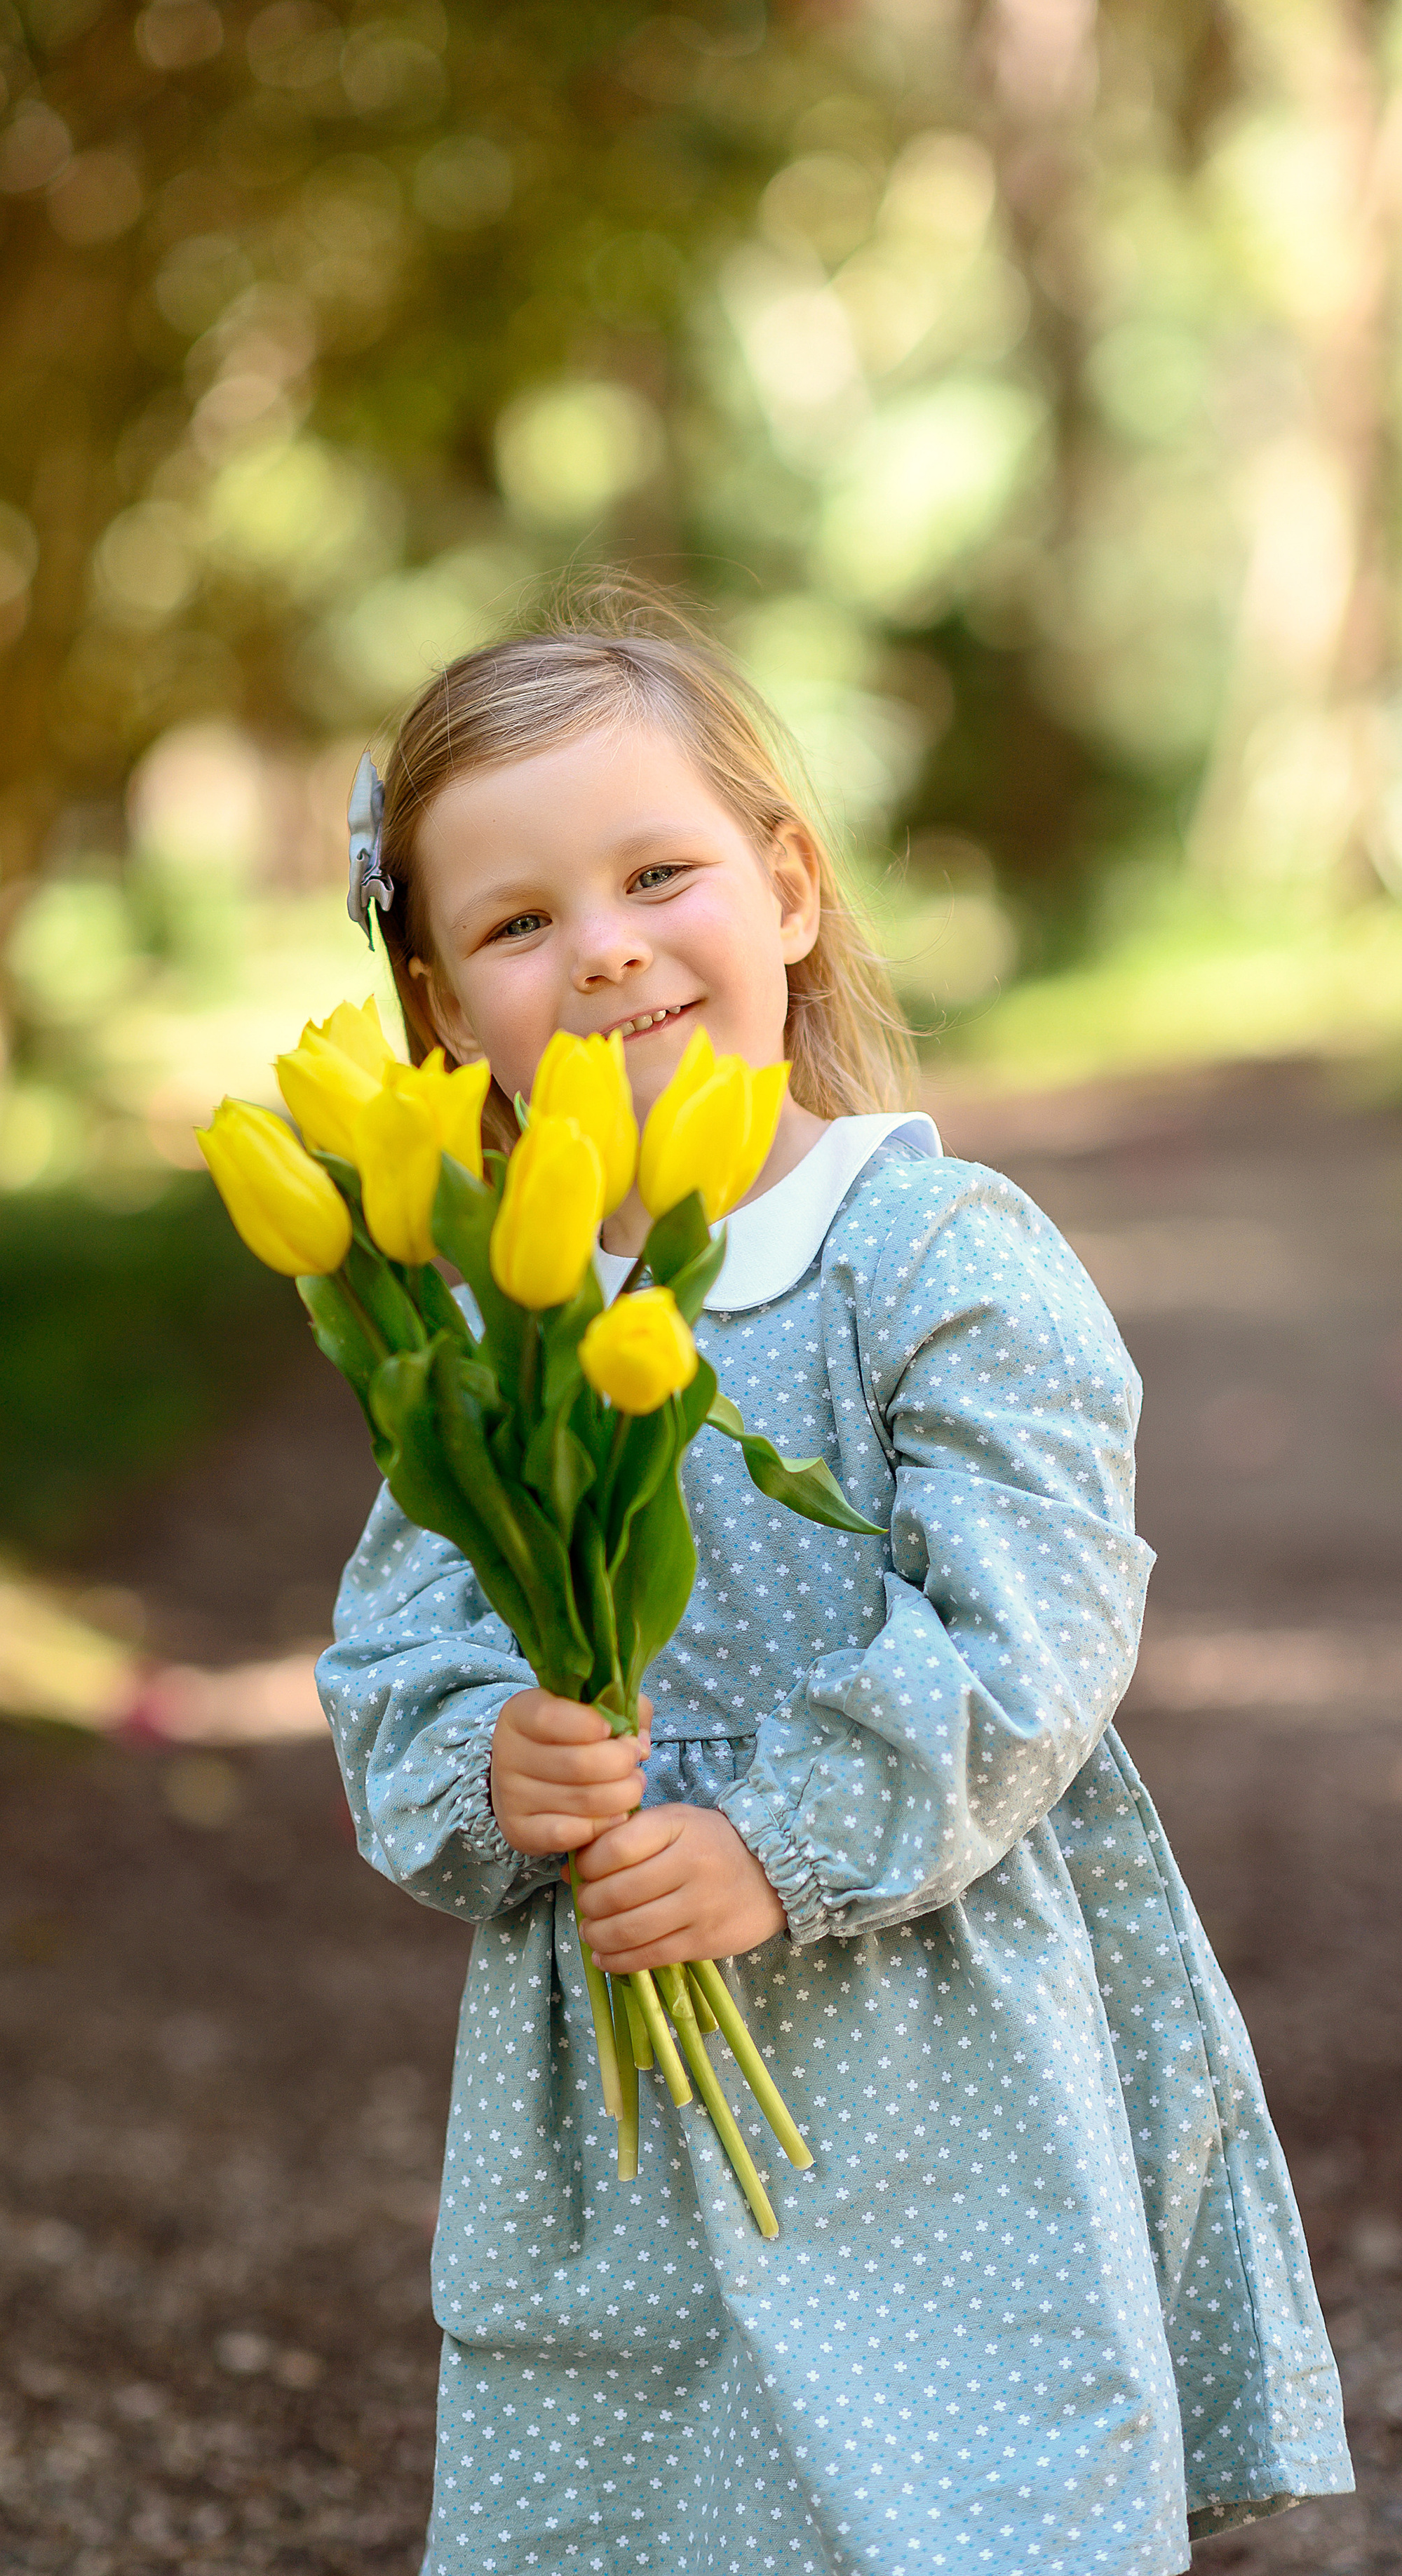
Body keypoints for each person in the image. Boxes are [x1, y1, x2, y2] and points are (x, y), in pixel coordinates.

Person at [314, 591, 1351, 2576]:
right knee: (642, 2478)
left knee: (966, 2489)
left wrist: (780, 1832)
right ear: (440, 1008)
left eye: (657, 873)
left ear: (786, 888)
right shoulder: (470, 1342)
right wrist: (492, 1764)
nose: (605, 946)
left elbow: (1033, 1619)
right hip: (618, 2077)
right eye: (520, 924)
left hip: (927, 2034)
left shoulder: (927, 1249)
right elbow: (396, 1650)